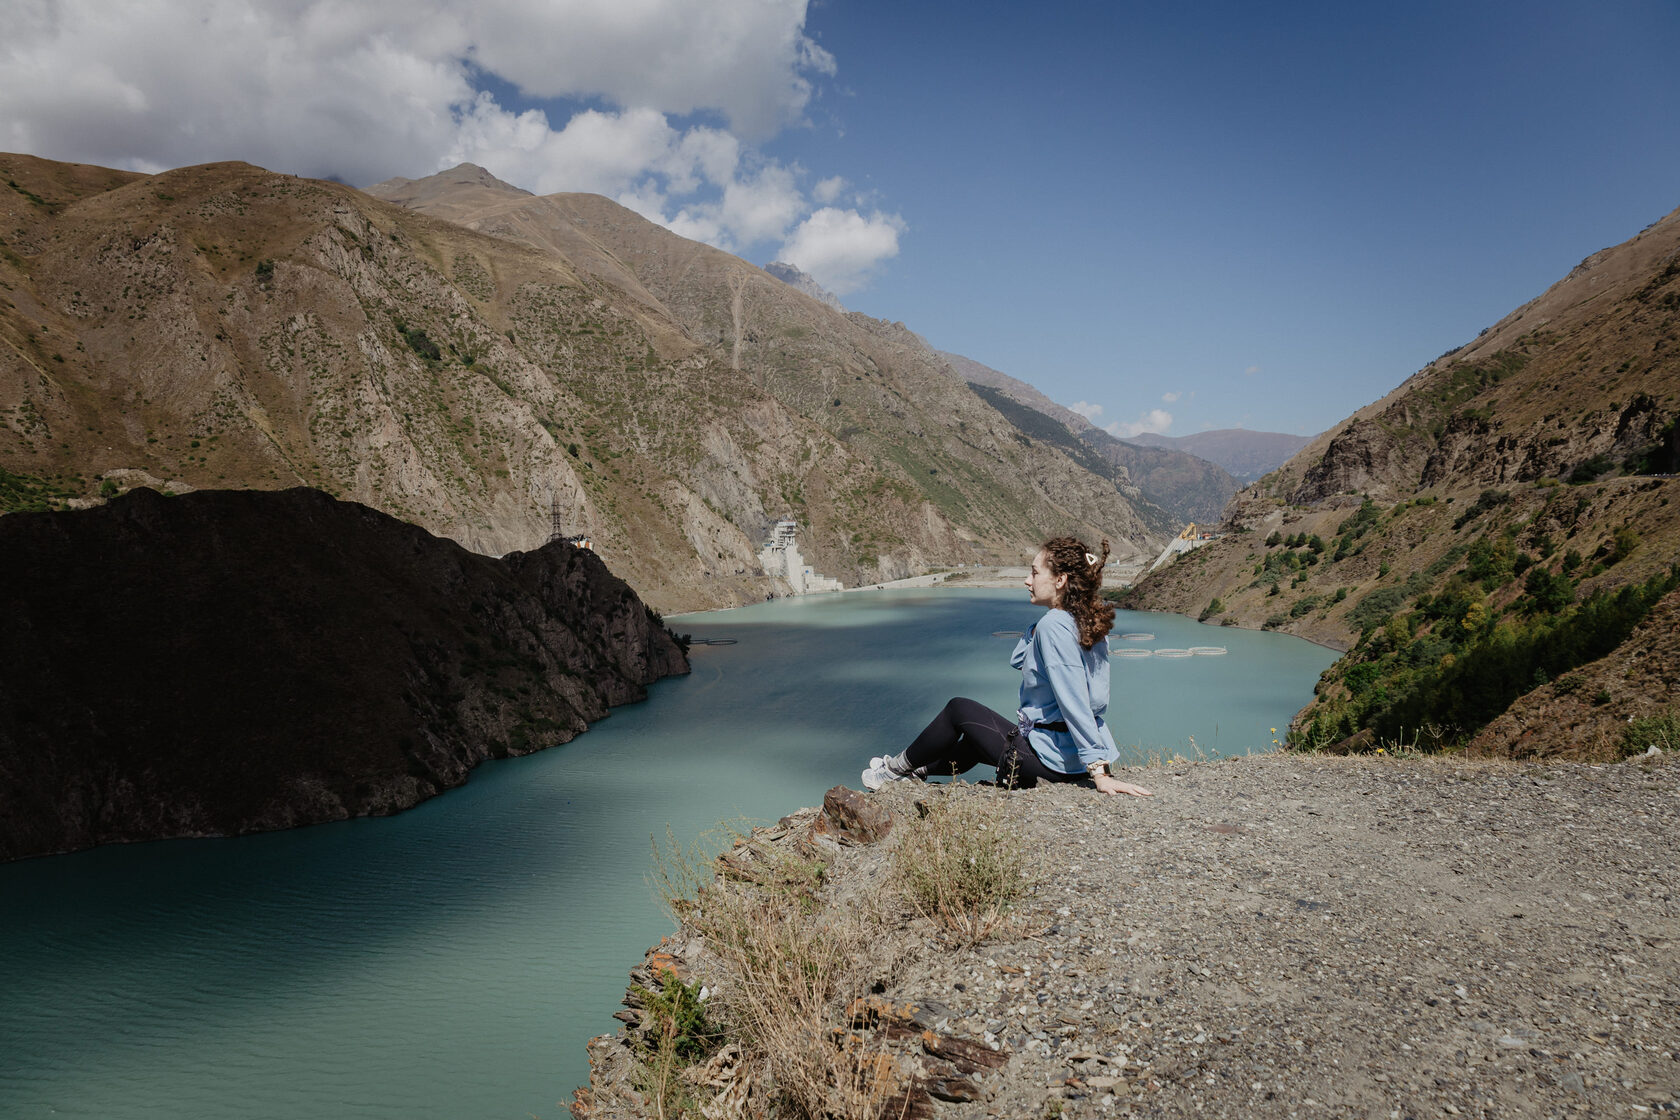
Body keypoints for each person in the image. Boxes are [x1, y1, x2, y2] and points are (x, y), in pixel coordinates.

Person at [862, 536, 1154, 798]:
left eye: (1035, 572)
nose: (1027, 580)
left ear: (1060, 580)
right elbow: (1020, 661)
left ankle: (892, 771)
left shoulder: (1054, 626)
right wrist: (1038, 626)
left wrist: (1099, 772)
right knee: (977, 738)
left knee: (959, 709)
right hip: (1067, 756)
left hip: (1054, 761)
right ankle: (915, 771)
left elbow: (1074, 700)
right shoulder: (1085, 622)